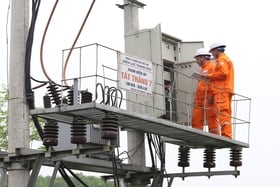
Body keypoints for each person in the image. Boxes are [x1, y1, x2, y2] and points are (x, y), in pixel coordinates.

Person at [205, 42, 234, 139]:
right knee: (225, 113)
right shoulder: (225, 59)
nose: (212, 54)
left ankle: (226, 135)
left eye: (212, 52)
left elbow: (223, 73)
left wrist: (209, 76)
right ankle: (227, 134)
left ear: (217, 50)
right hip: (225, 90)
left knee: (223, 112)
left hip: (222, 90)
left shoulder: (222, 59)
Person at [191, 48, 219, 135]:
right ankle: (197, 135)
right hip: (200, 99)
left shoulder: (212, 67)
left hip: (209, 98)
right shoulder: (203, 69)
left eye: (197, 59)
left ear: (202, 57)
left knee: (212, 118)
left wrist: (212, 96)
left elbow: (215, 83)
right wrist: (196, 99)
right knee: (196, 118)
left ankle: (215, 137)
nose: (196, 61)